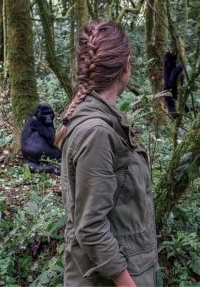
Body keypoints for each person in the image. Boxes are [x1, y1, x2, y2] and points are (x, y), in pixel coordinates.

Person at [55, 21, 157, 287]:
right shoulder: (96, 132)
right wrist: (126, 283)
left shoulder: (95, 120)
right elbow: (90, 227)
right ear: (126, 66)